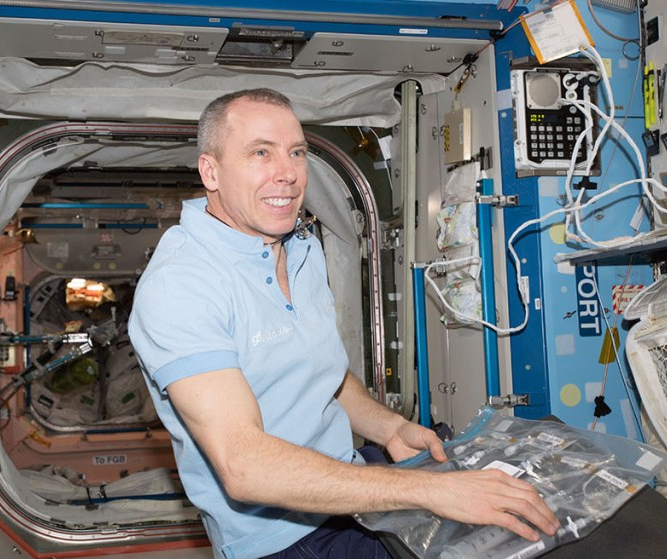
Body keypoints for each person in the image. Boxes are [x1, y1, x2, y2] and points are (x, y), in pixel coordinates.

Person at [129, 89, 559, 559]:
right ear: (210, 171)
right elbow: (244, 465)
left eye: (296, 152)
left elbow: (323, 373)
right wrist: (426, 491)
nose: (287, 174)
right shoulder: (181, 285)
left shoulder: (299, 246)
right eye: (260, 153)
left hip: (349, 490)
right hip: (281, 538)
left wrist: (389, 429)